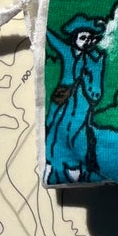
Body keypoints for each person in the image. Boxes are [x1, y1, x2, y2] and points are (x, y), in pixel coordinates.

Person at [45, 16, 106, 184]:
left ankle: (81, 166)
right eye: (82, 37)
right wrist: (42, 25)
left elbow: (95, 83)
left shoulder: (92, 58)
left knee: (80, 128)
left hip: (81, 99)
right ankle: (55, 162)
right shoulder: (67, 52)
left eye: (89, 38)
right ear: (75, 38)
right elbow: (53, 40)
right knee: (54, 125)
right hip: (62, 97)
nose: (86, 41)